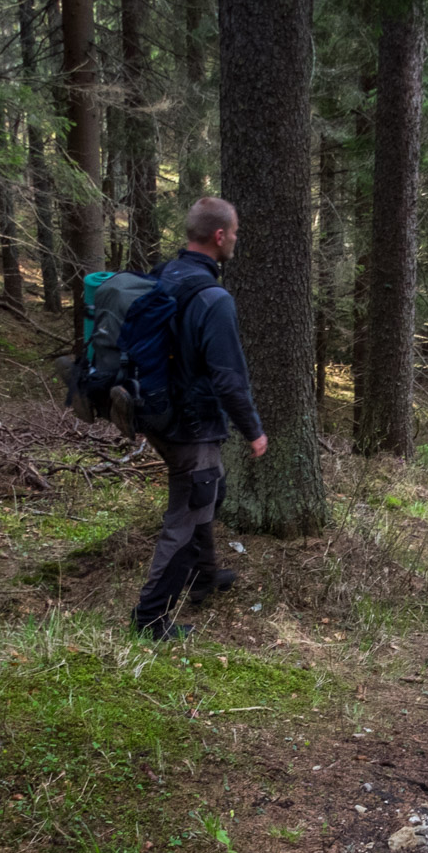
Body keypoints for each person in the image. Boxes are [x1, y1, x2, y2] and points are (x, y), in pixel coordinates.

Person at [131, 197, 269, 642]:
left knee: (213, 489)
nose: (236, 241)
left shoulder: (165, 276)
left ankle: (204, 574)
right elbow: (229, 378)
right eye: (236, 234)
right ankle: (150, 618)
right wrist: (254, 430)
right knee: (187, 514)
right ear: (219, 236)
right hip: (190, 424)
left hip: (157, 413)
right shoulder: (213, 298)